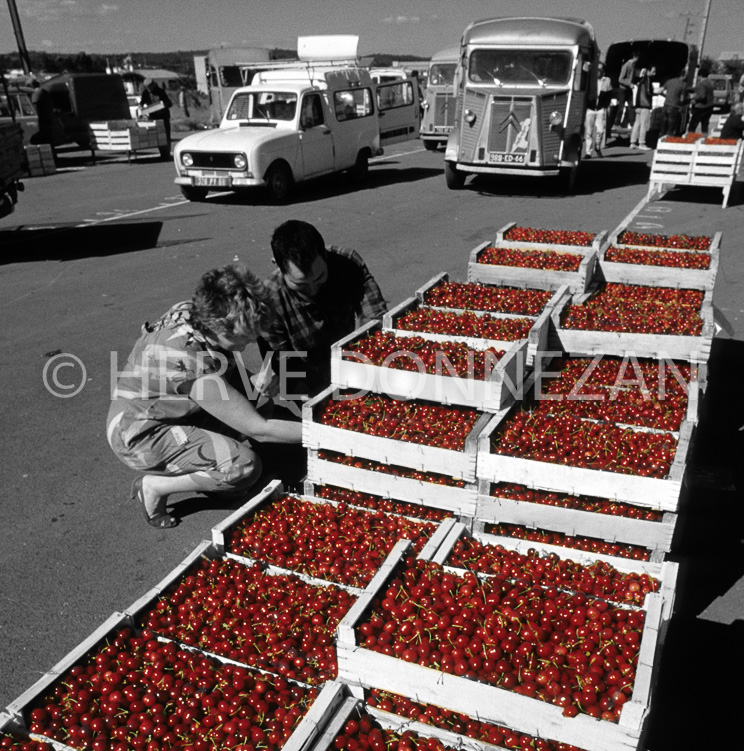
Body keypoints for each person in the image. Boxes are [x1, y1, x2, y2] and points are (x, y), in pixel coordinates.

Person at [107, 264, 302, 528]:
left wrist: (253, 381)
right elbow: (259, 430)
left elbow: (221, 368)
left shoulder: (194, 315)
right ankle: (155, 486)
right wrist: (325, 434)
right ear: (220, 326)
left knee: (260, 402)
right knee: (244, 468)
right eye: (243, 337)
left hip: (170, 407)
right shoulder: (191, 364)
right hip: (142, 434)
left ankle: (211, 465)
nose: (246, 345)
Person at [258, 220, 387, 399]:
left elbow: (374, 318)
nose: (312, 289)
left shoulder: (347, 263)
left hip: (352, 362)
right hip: (308, 376)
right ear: (278, 266)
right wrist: (312, 400)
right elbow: (284, 365)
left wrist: (368, 358)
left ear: (325, 256)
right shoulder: (269, 301)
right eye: (300, 284)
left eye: (320, 277)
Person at [584, 62, 612, 158]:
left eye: (600, 70)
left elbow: (609, 93)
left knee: (600, 130)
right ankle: (588, 152)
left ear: (603, 72)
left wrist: (606, 106)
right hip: (590, 108)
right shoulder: (591, 80)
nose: (598, 72)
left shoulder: (607, 80)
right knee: (589, 131)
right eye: (597, 69)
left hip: (600, 108)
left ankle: (597, 146)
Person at [139, 77, 172, 150]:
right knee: (158, 136)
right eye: (147, 87)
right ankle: (162, 152)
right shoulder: (145, 93)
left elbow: (169, 103)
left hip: (163, 117)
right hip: (154, 117)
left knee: (166, 135)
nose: (149, 89)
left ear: (153, 85)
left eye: (150, 87)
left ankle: (167, 153)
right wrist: (142, 111)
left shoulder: (161, 92)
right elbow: (141, 103)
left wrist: (162, 106)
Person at [630, 66, 656, 150]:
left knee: (636, 123)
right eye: (653, 71)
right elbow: (648, 92)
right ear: (648, 71)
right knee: (643, 124)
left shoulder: (640, 81)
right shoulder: (647, 80)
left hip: (637, 105)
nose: (654, 73)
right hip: (645, 104)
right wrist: (655, 93)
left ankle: (633, 142)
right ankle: (642, 143)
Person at [688, 66, 716, 135]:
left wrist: (692, 97)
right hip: (709, 106)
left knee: (693, 124)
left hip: (701, 107)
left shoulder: (701, 83)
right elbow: (699, 89)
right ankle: (705, 138)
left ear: (700, 75)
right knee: (705, 124)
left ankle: (690, 138)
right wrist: (690, 89)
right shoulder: (710, 83)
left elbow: (701, 96)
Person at [616, 49, 640, 129]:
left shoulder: (633, 67)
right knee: (621, 106)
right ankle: (617, 123)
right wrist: (629, 84)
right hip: (623, 89)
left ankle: (632, 123)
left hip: (629, 90)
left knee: (631, 107)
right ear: (635, 57)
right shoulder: (626, 65)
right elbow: (620, 79)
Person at [660, 69, 688, 137]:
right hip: (674, 106)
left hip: (666, 105)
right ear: (684, 75)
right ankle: (669, 136)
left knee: (664, 123)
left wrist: (667, 96)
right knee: (671, 124)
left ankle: (661, 137)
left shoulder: (669, 81)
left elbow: (660, 91)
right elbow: (682, 99)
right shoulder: (683, 84)